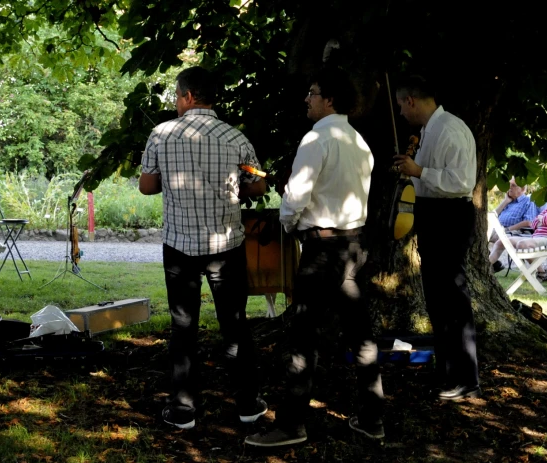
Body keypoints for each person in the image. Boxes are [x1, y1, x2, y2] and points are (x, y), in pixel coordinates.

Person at [244, 69, 382, 447]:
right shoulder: (359, 141)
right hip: (353, 246)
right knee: (360, 334)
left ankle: (290, 425)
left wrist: (289, 226)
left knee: (303, 337)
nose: (307, 98)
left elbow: (295, 199)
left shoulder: (316, 138)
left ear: (330, 100)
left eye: (313, 93)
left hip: (323, 249)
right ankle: (372, 417)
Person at [138, 66, 268, 430]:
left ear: (189, 96)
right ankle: (247, 405)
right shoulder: (235, 137)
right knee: (236, 325)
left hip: (180, 245)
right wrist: (234, 187)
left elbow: (147, 187)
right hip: (226, 246)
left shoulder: (161, 134)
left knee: (183, 327)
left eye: (178, 96)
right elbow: (258, 185)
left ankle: (183, 410)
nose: (177, 103)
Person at [392, 75, 481, 401]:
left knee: (453, 299)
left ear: (411, 100)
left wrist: (419, 173)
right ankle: (447, 373)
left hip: (449, 217)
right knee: (438, 300)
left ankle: (467, 379)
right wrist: (413, 174)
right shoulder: (430, 130)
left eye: (401, 104)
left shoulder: (451, 129)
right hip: (434, 215)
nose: (400, 112)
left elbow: (460, 182)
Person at [489, 190, 547, 279]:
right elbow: (534, 223)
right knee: (502, 241)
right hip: (536, 238)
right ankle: (485, 265)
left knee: (522, 244)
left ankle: (541, 272)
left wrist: (542, 219)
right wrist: (542, 220)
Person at [490, 177, 539, 242]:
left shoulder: (528, 201)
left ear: (522, 189)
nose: (510, 187)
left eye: (513, 185)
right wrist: (505, 201)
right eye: (509, 184)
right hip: (497, 229)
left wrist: (507, 230)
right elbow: (491, 217)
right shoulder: (508, 201)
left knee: (494, 237)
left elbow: (528, 223)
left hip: (513, 232)